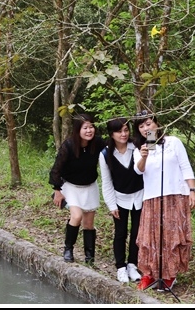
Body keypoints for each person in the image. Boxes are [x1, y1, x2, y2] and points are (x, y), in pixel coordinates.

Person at [132, 110, 195, 291]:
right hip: (152, 198)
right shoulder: (139, 149)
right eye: (141, 126)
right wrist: (144, 156)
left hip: (175, 195)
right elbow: (139, 171)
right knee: (150, 238)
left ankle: (169, 275)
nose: (146, 128)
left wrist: (192, 190)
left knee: (171, 237)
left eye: (149, 123)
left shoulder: (173, 142)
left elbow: (185, 166)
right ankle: (149, 274)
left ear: (157, 124)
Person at [49, 112, 106, 265]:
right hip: (71, 186)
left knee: (89, 223)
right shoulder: (68, 146)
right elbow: (56, 169)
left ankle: (90, 256)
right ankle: (68, 249)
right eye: (85, 128)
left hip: (90, 186)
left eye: (91, 127)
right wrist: (57, 191)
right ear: (77, 130)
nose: (89, 131)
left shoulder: (98, 143)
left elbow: (114, 149)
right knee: (76, 216)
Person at [99, 117, 144, 283]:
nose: (123, 134)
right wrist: (111, 205)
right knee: (120, 233)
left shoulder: (137, 147)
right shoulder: (105, 154)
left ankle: (132, 264)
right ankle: (120, 266)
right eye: (119, 131)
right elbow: (106, 182)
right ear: (112, 134)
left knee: (137, 232)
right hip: (120, 198)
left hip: (140, 196)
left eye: (126, 130)